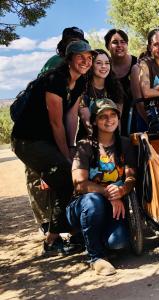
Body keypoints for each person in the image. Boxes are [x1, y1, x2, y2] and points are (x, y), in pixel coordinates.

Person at [11, 40, 96, 255]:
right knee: (66, 177)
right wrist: (66, 156)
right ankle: (54, 239)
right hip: (27, 140)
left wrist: (71, 147)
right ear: (69, 59)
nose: (86, 61)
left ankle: (69, 235)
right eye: (80, 57)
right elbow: (55, 122)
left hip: (46, 141)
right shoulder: (54, 79)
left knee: (66, 179)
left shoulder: (80, 81)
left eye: (89, 57)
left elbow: (70, 119)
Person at [27, 26, 87, 237]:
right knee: (40, 176)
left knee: (61, 171)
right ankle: (47, 224)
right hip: (38, 131)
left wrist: (69, 146)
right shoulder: (56, 65)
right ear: (64, 46)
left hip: (57, 126)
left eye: (78, 41)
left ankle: (62, 223)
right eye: (71, 41)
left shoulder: (78, 75)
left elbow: (70, 114)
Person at [67, 98, 136, 276]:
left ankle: (92, 236)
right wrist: (108, 193)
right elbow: (79, 185)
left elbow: (131, 177)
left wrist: (122, 191)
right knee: (93, 201)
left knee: (118, 243)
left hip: (112, 205)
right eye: (103, 116)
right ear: (95, 121)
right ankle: (95, 257)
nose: (109, 119)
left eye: (113, 115)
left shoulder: (125, 144)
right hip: (84, 205)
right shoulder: (85, 146)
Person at [78, 49, 124, 138]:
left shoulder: (115, 88)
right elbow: (87, 123)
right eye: (99, 63)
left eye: (107, 63)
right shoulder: (83, 88)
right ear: (91, 65)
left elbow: (117, 121)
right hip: (88, 139)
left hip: (112, 139)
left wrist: (117, 142)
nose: (104, 66)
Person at [104, 29, 138, 136]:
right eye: (114, 42)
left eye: (122, 42)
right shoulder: (103, 67)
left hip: (136, 116)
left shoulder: (137, 64)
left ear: (127, 44)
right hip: (110, 121)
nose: (119, 45)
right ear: (108, 46)